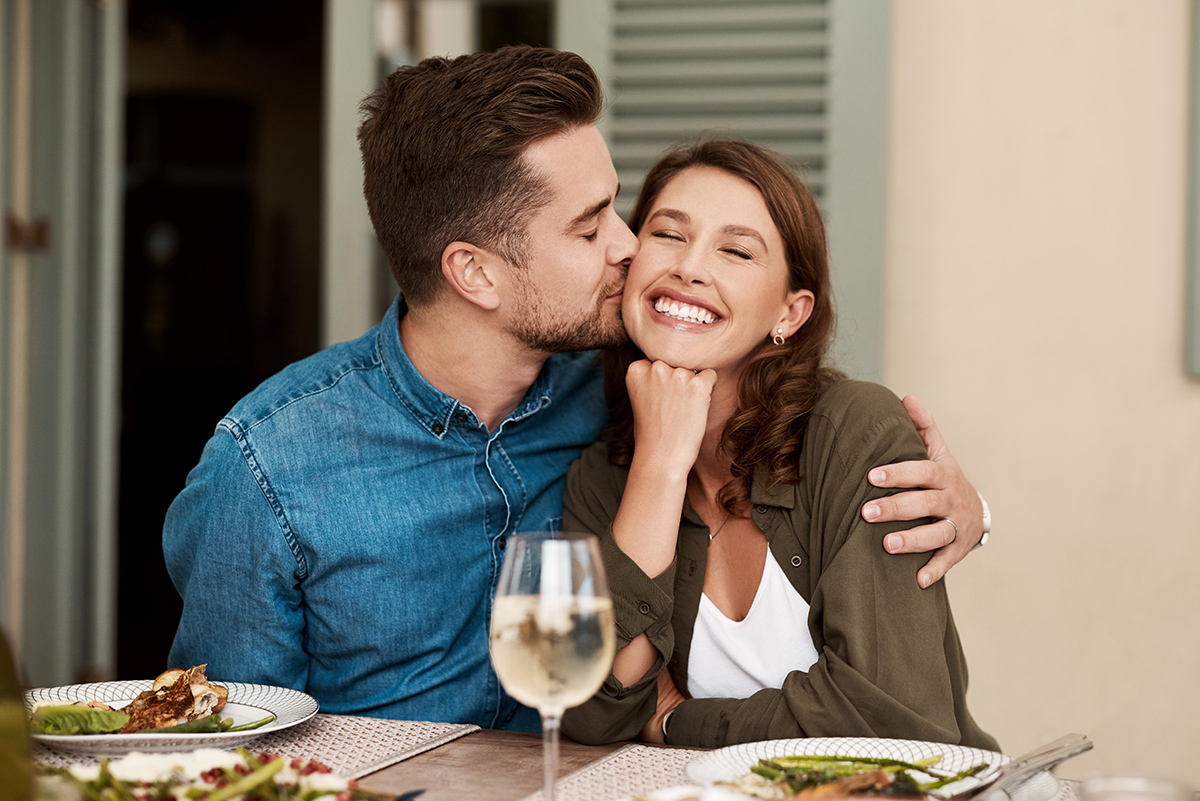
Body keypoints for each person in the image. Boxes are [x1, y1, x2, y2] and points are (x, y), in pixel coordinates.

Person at [164, 46, 986, 731]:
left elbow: (790, 405)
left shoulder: (620, 397)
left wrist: (969, 512)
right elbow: (223, 745)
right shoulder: (269, 467)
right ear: (475, 273)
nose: (633, 248)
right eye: (593, 227)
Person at [559, 138, 997, 750]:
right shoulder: (602, 476)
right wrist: (658, 466)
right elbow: (588, 715)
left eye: (736, 250)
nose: (690, 267)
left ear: (790, 313)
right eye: (667, 234)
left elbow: (890, 723)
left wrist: (678, 720)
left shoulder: (856, 433)